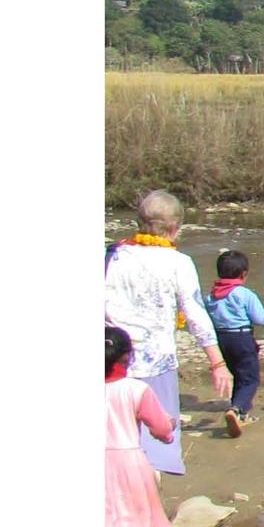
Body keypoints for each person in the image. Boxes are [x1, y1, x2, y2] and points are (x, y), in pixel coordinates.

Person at [104, 189, 231, 476]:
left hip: (111, 362)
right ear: (175, 228)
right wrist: (217, 362)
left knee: (113, 440)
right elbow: (196, 313)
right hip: (156, 362)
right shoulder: (178, 263)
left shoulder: (110, 256)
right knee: (156, 443)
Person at [105, 326, 193, 527]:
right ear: (126, 358)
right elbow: (161, 429)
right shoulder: (135, 390)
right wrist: (168, 428)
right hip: (127, 464)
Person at [205, 249, 264, 438]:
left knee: (238, 375)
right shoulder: (244, 294)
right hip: (241, 338)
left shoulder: (210, 296)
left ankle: (242, 413)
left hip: (221, 340)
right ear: (243, 274)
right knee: (250, 378)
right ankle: (236, 409)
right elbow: (260, 318)